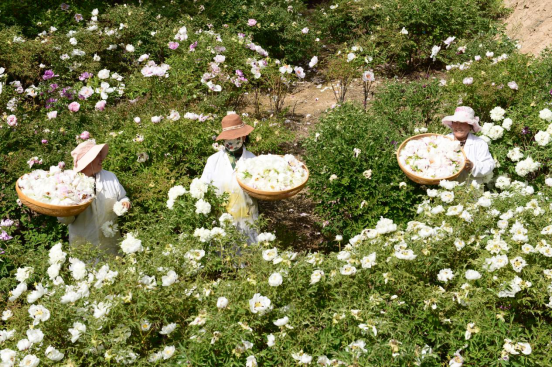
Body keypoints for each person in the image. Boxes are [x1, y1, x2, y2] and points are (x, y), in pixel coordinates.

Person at [58, 141, 130, 255]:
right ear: (88, 161)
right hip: (85, 245)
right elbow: (65, 220)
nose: (101, 158)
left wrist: (124, 202)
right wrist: (68, 210)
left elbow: (122, 197)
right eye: (97, 156)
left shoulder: (110, 177)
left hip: (110, 244)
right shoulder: (70, 183)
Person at [201, 114, 258, 242]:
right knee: (223, 255)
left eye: (235, 137)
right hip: (221, 223)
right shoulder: (213, 161)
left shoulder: (252, 160)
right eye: (228, 138)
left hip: (247, 221)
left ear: (243, 137)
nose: (231, 141)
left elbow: (260, 188)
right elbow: (202, 188)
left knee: (247, 256)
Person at [442, 106, 495, 184]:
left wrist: (472, 166)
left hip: (471, 189)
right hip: (446, 189)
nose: (458, 126)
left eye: (462, 123)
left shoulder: (479, 143)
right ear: (452, 124)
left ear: (470, 126)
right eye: (455, 122)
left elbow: (489, 165)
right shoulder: (443, 140)